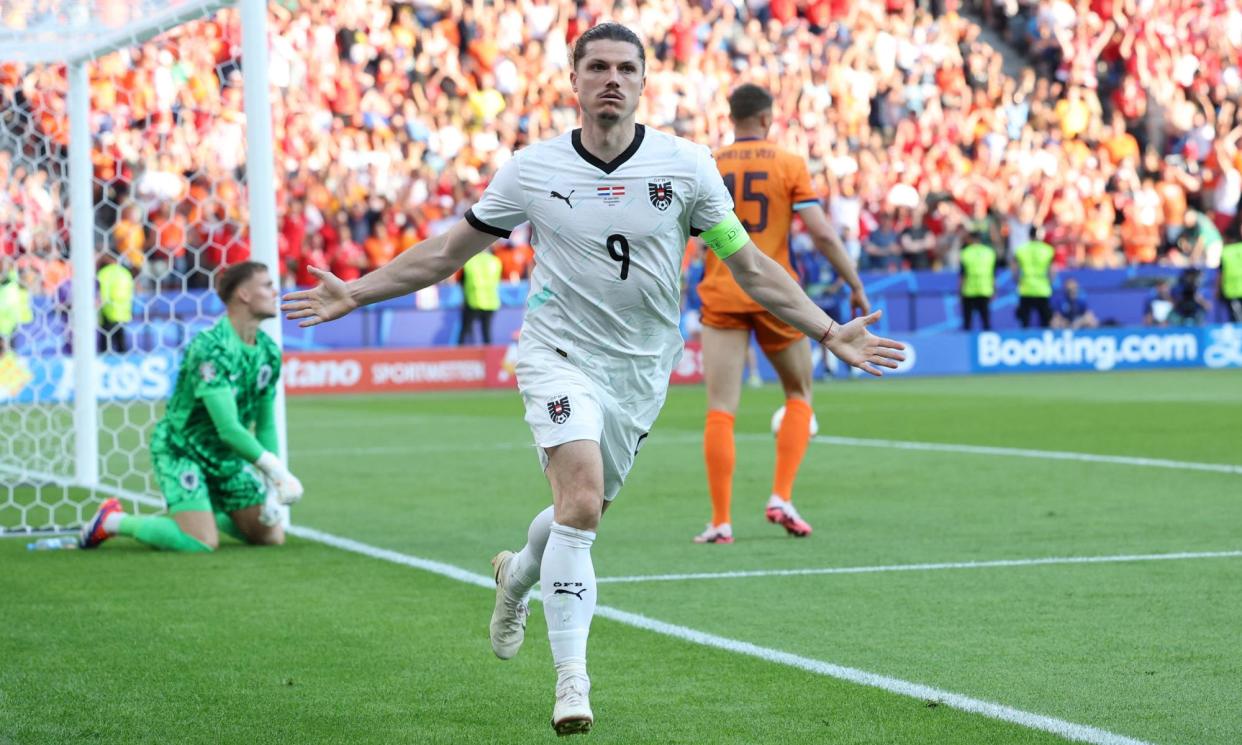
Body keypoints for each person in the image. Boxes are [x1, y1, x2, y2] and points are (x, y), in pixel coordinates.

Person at [281, 24, 904, 737]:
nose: (612, 78)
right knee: (579, 499)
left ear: (645, 83)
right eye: (598, 67)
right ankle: (571, 682)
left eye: (625, 68)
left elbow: (753, 267)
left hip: (640, 369)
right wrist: (355, 291)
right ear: (573, 81)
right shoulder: (532, 169)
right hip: (556, 353)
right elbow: (450, 251)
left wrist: (828, 330)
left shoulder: (688, 166)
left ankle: (517, 573)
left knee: (581, 513)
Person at [693, 83, 871, 545]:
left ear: (731, 117)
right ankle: (781, 496)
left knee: (720, 410)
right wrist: (853, 282)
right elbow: (823, 235)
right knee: (799, 392)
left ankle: (720, 522)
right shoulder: (790, 163)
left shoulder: (708, 162)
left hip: (722, 291)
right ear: (768, 119)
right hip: (776, 293)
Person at [80, 261, 303, 553]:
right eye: (267, 285)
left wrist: (272, 488)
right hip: (182, 451)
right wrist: (277, 471)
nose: (276, 292)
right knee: (200, 543)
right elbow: (228, 429)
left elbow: (265, 425)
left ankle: (202, 512)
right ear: (244, 295)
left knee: (270, 535)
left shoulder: (268, 353)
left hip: (225, 460)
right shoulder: (211, 348)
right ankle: (113, 521)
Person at [458, 246, 502, 345]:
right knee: (486, 333)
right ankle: (490, 358)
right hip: (491, 302)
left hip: (473, 300)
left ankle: (459, 357)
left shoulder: (470, 261)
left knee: (464, 332)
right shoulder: (496, 261)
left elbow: (462, 281)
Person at [1012, 230, 1055, 328]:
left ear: (1029, 235)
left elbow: (1015, 270)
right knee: (1045, 321)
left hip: (1026, 288)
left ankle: (1024, 341)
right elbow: (1052, 271)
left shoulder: (1021, 250)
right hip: (1042, 289)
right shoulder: (1048, 250)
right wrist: (1049, 283)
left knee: (1025, 321)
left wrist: (1018, 282)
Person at [97, 253, 135, 353]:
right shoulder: (125, 273)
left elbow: (103, 295)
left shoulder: (104, 273)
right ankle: (123, 365)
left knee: (105, 347)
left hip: (108, 312)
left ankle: (104, 366)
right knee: (121, 344)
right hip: (123, 312)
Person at [959, 235, 996, 331]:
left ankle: (965, 343)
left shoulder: (965, 252)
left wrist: (960, 291)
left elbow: (962, 275)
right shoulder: (989, 252)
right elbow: (992, 274)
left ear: (971, 240)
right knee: (986, 321)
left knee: (967, 323)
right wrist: (994, 289)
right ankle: (988, 341)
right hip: (985, 290)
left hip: (969, 290)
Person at [1217, 224, 1242, 322]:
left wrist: (1217, 290)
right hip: (1233, 290)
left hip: (1231, 291)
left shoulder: (1225, 252)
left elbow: (1220, 274)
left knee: (1237, 321)